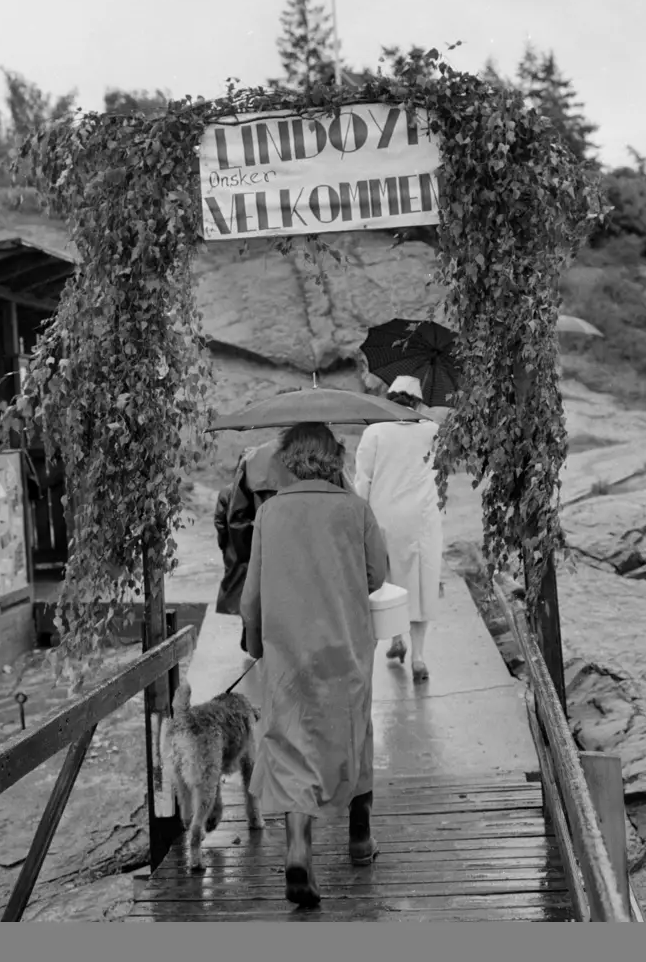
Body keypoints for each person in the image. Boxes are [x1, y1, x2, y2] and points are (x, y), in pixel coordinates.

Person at [240, 421, 389, 909]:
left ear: (288, 459)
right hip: (345, 648)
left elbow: (252, 594)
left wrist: (258, 644)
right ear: (333, 458)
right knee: (354, 735)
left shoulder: (270, 514)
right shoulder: (355, 509)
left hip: (288, 651)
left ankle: (299, 845)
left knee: (289, 745)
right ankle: (360, 838)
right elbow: (376, 574)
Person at [354, 374, 443, 684]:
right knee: (421, 584)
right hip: (422, 520)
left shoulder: (374, 432)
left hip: (383, 518)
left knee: (387, 582)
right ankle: (418, 656)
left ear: (389, 399)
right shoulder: (432, 431)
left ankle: (396, 641)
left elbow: (362, 480)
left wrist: (359, 518)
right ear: (417, 403)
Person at [214, 438, 296, 655]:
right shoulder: (293, 471)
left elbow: (230, 521)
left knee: (250, 595)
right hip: (288, 553)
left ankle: (252, 636)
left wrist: (239, 550)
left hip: (252, 549)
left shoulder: (236, 484)